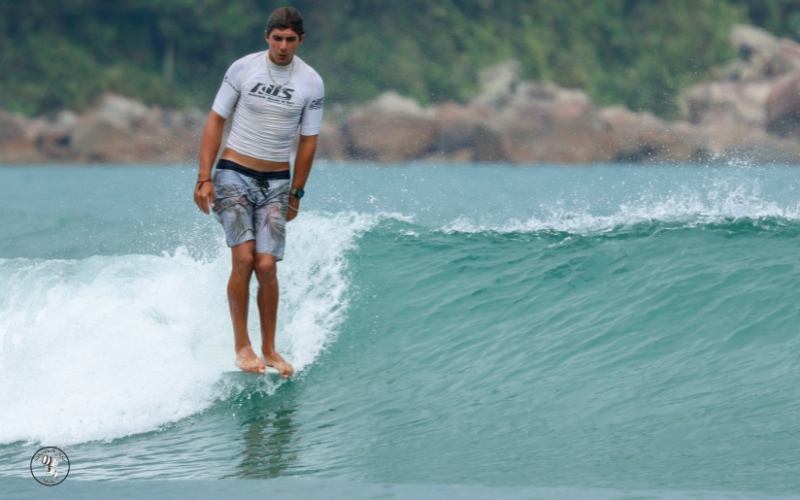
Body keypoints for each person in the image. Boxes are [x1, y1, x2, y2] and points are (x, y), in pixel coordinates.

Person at [193, 7, 323, 378]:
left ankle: (269, 348)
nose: (283, 46)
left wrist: (297, 192)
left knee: (267, 266)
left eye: (290, 40)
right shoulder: (242, 69)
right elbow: (216, 120)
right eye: (277, 38)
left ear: (300, 41)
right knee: (245, 260)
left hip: (278, 183)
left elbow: (309, 141)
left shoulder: (311, 82)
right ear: (267, 36)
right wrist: (204, 177)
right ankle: (242, 347)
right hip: (233, 174)